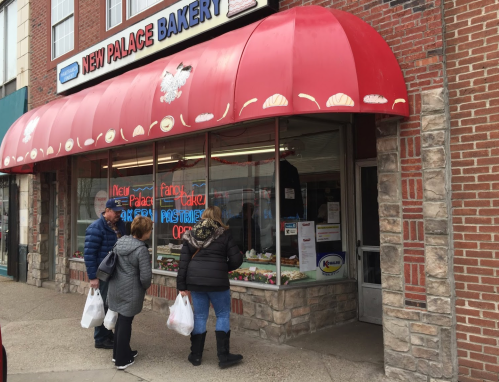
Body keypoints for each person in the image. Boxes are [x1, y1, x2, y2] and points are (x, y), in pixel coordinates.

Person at [177, 206, 243, 368]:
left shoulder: (191, 233)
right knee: (222, 314)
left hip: (196, 282)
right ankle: (223, 356)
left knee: (200, 316)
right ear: (218, 217)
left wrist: (181, 286)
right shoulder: (224, 234)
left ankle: (196, 356)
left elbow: (183, 263)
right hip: (218, 283)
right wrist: (221, 267)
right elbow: (236, 260)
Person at [108, 215, 152, 370]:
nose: (151, 232)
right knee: (126, 322)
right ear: (144, 231)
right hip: (131, 291)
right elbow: (145, 276)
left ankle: (119, 353)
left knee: (121, 321)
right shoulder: (141, 249)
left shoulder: (120, 242)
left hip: (116, 288)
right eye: (150, 229)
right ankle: (122, 360)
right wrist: (145, 286)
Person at [84, 198, 126, 349]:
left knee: (112, 305)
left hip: (117, 273)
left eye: (120, 212)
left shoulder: (119, 226)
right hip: (103, 274)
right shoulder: (96, 228)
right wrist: (93, 277)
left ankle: (108, 333)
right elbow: (89, 254)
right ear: (107, 210)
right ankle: (100, 338)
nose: (118, 215)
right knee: (102, 306)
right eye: (116, 212)